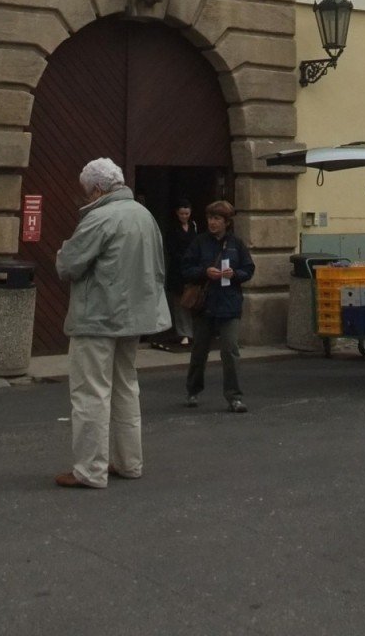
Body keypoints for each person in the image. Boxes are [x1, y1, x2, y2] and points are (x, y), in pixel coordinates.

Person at [53, 157, 170, 488]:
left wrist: (61, 253)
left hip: (98, 318)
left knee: (91, 393)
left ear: (98, 189)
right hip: (134, 318)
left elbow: (69, 265)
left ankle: (90, 470)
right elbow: (158, 268)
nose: (86, 198)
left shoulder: (100, 218)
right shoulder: (145, 217)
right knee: (125, 388)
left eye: (87, 192)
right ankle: (129, 462)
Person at [182, 200, 255, 413]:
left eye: (217, 219)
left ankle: (234, 397)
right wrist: (205, 271)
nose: (212, 223)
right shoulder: (199, 242)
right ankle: (192, 391)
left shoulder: (237, 244)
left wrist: (235, 275)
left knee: (230, 351)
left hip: (229, 304)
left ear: (227, 222)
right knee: (199, 351)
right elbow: (186, 268)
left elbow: (249, 269)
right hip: (204, 305)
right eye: (210, 218)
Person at [163, 199, 197, 348]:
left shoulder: (194, 226)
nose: (184, 216)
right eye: (182, 213)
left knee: (191, 300)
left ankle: (190, 332)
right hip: (177, 269)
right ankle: (183, 333)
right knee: (178, 302)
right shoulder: (172, 228)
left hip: (191, 269)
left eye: (187, 213)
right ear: (177, 213)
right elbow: (171, 249)